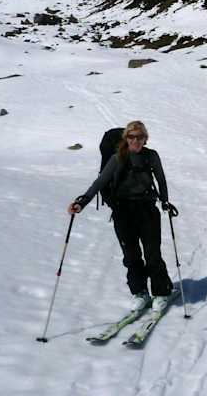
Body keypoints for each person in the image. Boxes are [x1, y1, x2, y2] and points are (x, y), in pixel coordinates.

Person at [68, 120, 175, 314]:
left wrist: (165, 201)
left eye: (140, 137)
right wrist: (81, 202)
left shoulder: (151, 156)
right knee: (131, 255)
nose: (136, 140)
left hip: (147, 209)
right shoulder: (117, 158)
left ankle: (161, 292)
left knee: (152, 253)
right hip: (123, 211)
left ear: (145, 139)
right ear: (126, 138)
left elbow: (161, 179)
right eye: (132, 137)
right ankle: (140, 292)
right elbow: (100, 182)